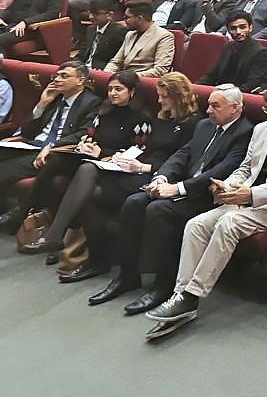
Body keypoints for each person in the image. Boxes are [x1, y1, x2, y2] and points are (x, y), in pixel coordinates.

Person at [144, 81, 267, 337]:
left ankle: (192, 295)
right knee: (196, 225)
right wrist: (228, 185)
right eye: (266, 110)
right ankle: (180, 293)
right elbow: (246, 167)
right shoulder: (261, 129)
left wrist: (252, 194)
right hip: (245, 200)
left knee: (228, 224)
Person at [90, 84, 254, 314]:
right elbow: (182, 154)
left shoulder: (246, 132)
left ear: (234, 108)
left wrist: (177, 189)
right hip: (181, 185)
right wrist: (162, 177)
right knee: (134, 202)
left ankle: (163, 284)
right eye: (209, 105)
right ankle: (127, 275)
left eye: (215, 106)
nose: (208, 110)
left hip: (207, 196)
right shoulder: (205, 125)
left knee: (158, 211)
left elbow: (224, 169)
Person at [38, 72, 199, 284]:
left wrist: (144, 166)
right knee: (85, 176)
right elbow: (145, 148)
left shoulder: (193, 124)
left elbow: (183, 162)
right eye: (159, 95)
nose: (160, 101)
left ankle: (67, 241)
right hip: (135, 168)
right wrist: (124, 158)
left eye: (164, 96)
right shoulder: (162, 116)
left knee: (89, 189)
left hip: (156, 176)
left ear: (178, 96)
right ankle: (89, 253)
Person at [0, 62, 102, 220]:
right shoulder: (53, 97)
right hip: (31, 145)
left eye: (64, 76)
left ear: (80, 80)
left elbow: (83, 134)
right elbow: (27, 132)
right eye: (56, 76)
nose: (57, 80)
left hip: (53, 154)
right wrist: (42, 104)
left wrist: (52, 146)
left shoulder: (92, 103)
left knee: (3, 170)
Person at [199, 13, 267, 92]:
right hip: (220, 90)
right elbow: (212, 75)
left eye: (242, 27)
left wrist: (224, 92)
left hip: (239, 95)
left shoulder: (260, 52)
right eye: (233, 28)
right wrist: (195, 86)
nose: (238, 32)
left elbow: (251, 85)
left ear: (250, 28)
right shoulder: (228, 46)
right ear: (228, 31)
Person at [104, 0, 176, 78]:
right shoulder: (130, 34)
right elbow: (116, 62)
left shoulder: (164, 36)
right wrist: (106, 75)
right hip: (122, 78)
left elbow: (160, 70)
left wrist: (125, 77)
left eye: (127, 17)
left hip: (141, 81)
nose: (124, 21)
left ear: (139, 18)